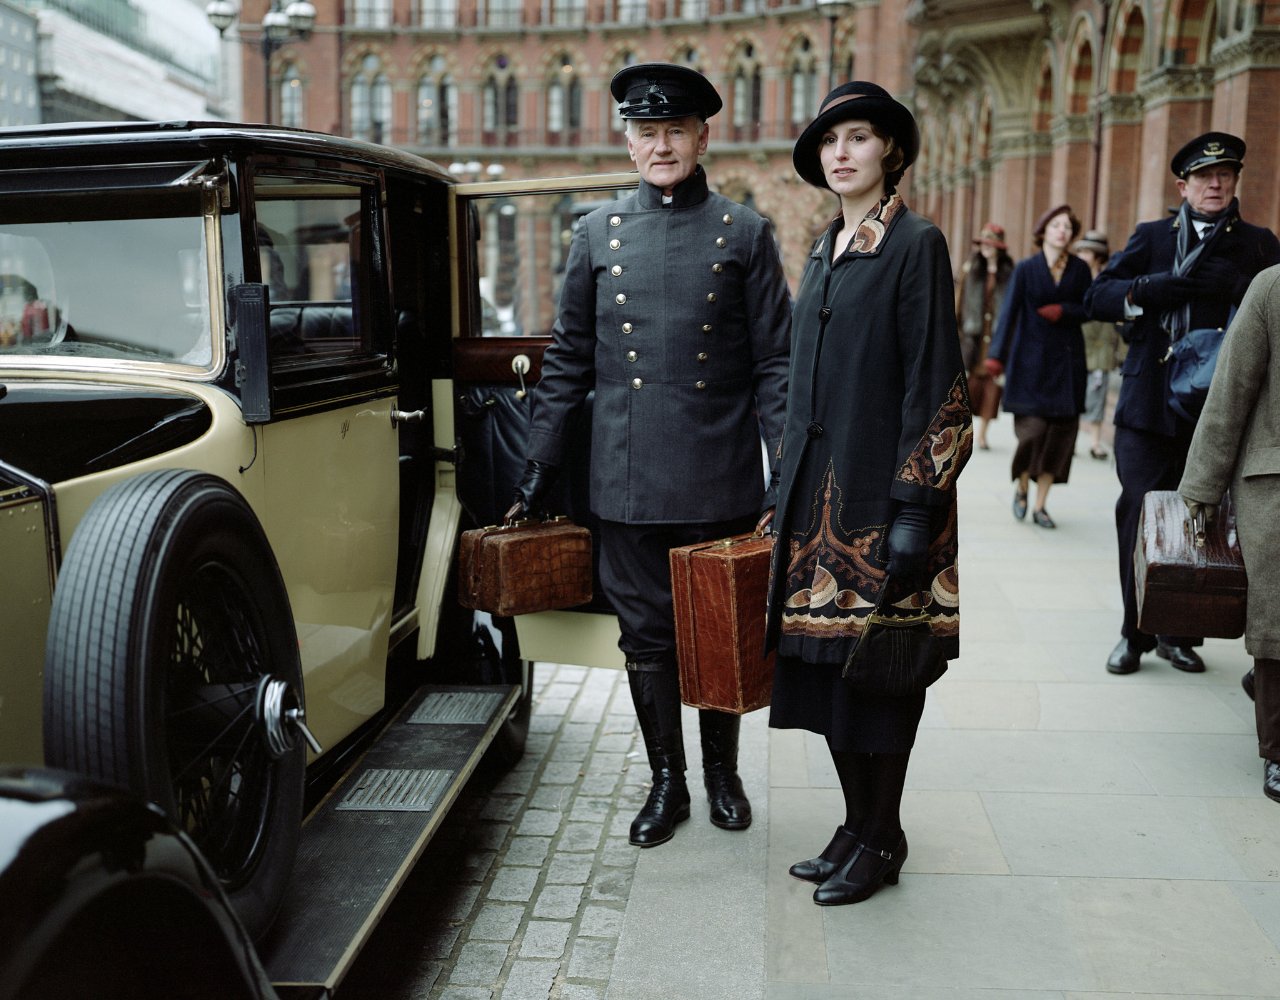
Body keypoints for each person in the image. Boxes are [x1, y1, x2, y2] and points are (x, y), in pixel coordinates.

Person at [508, 63, 791, 848]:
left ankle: (723, 774)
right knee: (647, 635)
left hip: (718, 470)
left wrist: (785, 468)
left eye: (675, 131)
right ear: (627, 142)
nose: (660, 145)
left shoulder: (745, 233)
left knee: (720, 627)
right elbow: (568, 355)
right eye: (646, 132)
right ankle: (667, 778)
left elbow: (776, 363)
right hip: (625, 474)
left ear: (704, 137)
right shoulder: (596, 233)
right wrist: (539, 462)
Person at [764, 81, 971, 906]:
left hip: (882, 509)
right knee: (826, 678)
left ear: (889, 149)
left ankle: (882, 837)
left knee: (882, 675)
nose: (840, 152)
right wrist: (779, 490)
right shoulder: (822, 247)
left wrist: (917, 506)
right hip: (812, 508)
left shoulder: (915, 243)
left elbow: (937, 380)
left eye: (856, 137)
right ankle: (859, 827)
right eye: (828, 141)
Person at [1084, 131, 1280, 675]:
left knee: (1206, 521)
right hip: (1149, 405)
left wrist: (1240, 288)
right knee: (1138, 515)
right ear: (1183, 185)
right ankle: (1134, 633)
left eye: (1225, 175)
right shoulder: (1151, 237)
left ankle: (1180, 634)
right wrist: (1147, 288)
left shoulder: (1260, 244)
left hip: (1218, 413)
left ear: (1236, 181)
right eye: (1203, 176)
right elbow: (1095, 297)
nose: (1215, 183)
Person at [1179, 265, 1280, 803]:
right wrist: (1201, 488)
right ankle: (1278, 749)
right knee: (1278, 625)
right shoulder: (1270, 287)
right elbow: (1230, 392)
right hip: (1276, 484)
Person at [984, 205, 1091, 529]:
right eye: (1056, 225)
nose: (1062, 231)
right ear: (1043, 231)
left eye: (1068, 227)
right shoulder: (1027, 269)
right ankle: (1022, 484)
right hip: (1029, 363)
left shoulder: (1080, 270)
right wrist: (996, 355)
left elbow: (1089, 307)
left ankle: (1041, 505)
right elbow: (1010, 311)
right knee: (1032, 434)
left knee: (1059, 439)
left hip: (1067, 365)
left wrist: (1065, 310)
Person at [955, 222, 1014, 450]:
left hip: (997, 337)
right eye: (983, 244)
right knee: (970, 385)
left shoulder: (1009, 273)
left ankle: (982, 434)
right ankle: (964, 431)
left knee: (992, 387)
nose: (986, 249)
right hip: (973, 337)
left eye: (991, 245)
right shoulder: (971, 270)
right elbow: (959, 302)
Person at [1073, 229, 1121, 460]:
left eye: (1086, 251)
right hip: (1078, 342)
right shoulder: (1075, 277)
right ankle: (1070, 440)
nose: (1081, 254)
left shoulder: (1107, 278)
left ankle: (1095, 441)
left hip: (1101, 345)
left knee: (1098, 395)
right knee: (1074, 394)